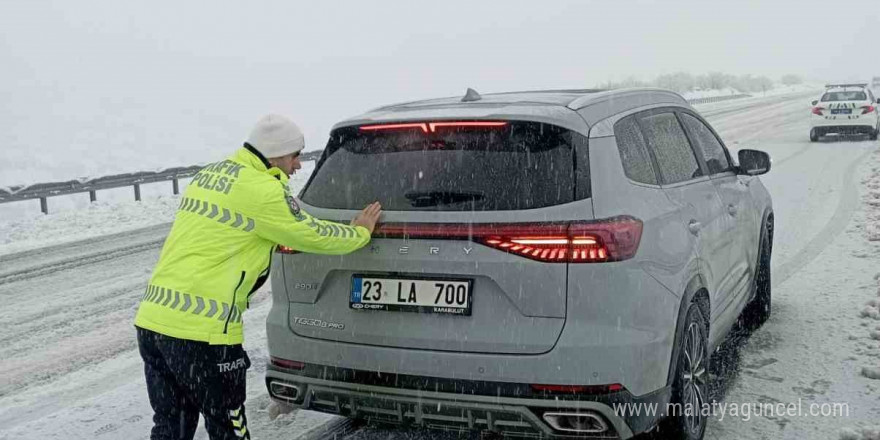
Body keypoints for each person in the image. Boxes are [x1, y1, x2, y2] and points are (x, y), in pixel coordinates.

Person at [133, 114, 381, 440]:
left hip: (153, 324)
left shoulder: (211, 174)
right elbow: (310, 233)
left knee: (171, 426)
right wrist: (359, 234)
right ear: (276, 153)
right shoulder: (262, 191)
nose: (298, 165)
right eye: (295, 155)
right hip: (203, 336)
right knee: (229, 428)